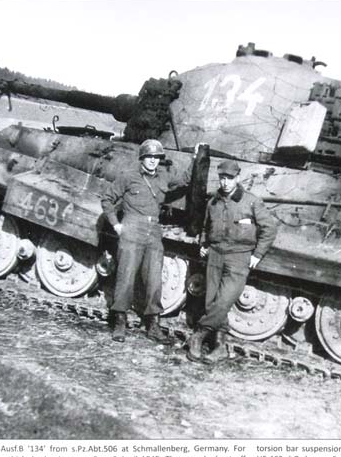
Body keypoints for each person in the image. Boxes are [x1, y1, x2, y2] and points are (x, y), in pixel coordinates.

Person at [101, 139, 194, 344]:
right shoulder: (128, 177)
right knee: (126, 276)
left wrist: (197, 158)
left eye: (156, 157)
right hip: (132, 227)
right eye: (149, 157)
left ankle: (153, 325)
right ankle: (120, 321)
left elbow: (185, 180)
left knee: (154, 279)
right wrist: (116, 224)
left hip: (154, 230)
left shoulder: (163, 176)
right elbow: (107, 199)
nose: (153, 161)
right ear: (142, 158)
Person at [187, 160, 277, 364]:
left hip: (239, 256)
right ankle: (220, 347)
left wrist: (257, 254)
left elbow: (269, 229)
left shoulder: (251, 201)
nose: (225, 182)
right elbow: (206, 226)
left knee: (224, 300)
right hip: (215, 254)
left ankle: (198, 335)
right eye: (222, 178)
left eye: (229, 178)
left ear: (237, 178)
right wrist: (204, 243)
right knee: (211, 301)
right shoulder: (213, 202)